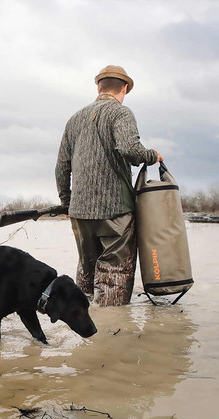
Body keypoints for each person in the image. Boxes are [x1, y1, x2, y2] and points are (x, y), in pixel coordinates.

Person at [55, 65, 163, 307]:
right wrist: (152, 155)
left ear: (98, 87)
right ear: (124, 88)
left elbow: (62, 167)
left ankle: (84, 326)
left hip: (80, 213)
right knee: (114, 276)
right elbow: (130, 150)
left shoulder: (74, 119)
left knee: (86, 273)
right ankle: (113, 331)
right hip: (115, 211)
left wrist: (66, 202)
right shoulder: (121, 113)